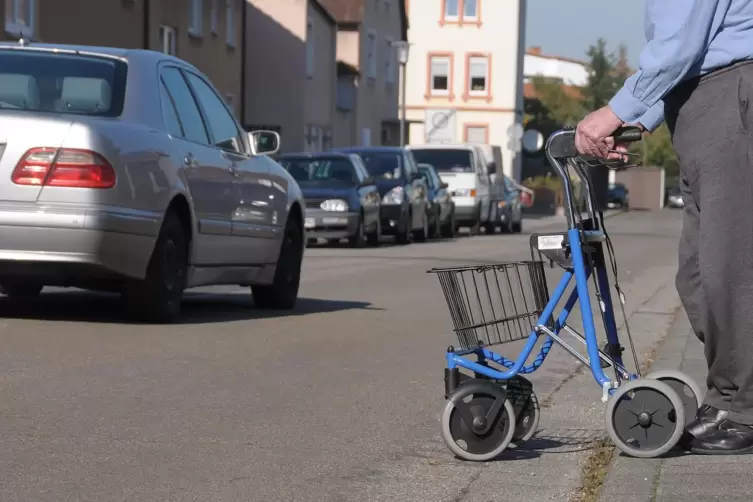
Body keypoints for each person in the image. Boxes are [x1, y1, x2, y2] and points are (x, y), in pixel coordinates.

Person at [574, 0, 753, 455]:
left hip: (729, 100)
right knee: (697, 274)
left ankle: (744, 406)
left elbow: (680, 46)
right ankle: (730, 393)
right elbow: (689, 56)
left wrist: (611, 113)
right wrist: (638, 120)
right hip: (701, 103)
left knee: (728, 270)